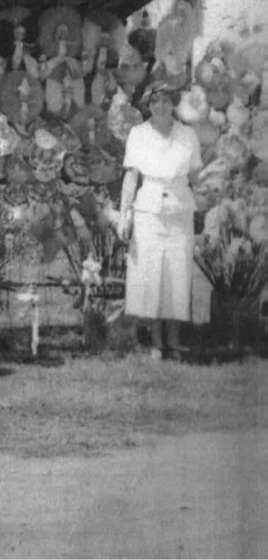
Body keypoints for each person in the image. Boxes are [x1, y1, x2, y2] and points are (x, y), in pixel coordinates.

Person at [117, 76, 202, 360]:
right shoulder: (138, 134)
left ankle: (174, 343)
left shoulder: (187, 135)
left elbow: (197, 178)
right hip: (148, 211)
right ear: (147, 104)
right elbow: (131, 177)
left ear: (174, 103)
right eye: (155, 100)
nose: (161, 105)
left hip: (180, 210)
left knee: (178, 274)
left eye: (166, 100)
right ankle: (155, 343)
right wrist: (124, 215)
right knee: (152, 275)